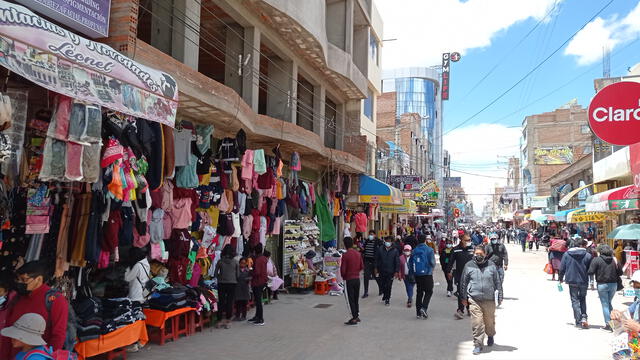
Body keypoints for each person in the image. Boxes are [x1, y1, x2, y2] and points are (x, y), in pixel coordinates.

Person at [0, 262, 68, 360]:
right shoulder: (17, 297)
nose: (20, 283)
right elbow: (8, 332)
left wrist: (48, 358)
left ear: (39, 279)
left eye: (24, 279)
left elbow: (58, 336)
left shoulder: (55, 300)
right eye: (18, 279)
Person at [460, 246, 503, 355]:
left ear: (485, 254)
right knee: (477, 322)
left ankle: (490, 334)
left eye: (481, 254)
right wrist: (463, 297)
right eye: (476, 254)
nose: (478, 256)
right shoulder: (469, 265)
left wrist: (500, 295)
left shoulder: (491, 265)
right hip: (474, 299)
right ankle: (478, 344)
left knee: (489, 322)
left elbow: (497, 281)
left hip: (489, 299)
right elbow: (463, 282)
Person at [559, 238, 593, 329]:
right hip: (583, 281)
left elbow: (562, 268)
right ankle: (584, 317)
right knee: (583, 299)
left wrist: (560, 278)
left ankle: (578, 321)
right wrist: (592, 281)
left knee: (574, 300)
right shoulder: (588, 255)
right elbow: (591, 270)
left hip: (572, 280)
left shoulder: (567, 254)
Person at [588, 244, 621, 331]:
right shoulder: (614, 259)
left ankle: (608, 324)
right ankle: (614, 322)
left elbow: (590, 271)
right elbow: (620, 272)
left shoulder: (597, 260)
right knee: (609, 303)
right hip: (613, 284)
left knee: (605, 304)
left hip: (602, 284)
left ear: (600, 251)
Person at [447, 235, 475, 319]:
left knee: (470, 293)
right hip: (459, 274)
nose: (469, 241)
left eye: (469, 240)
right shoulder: (456, 250)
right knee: (460, 292)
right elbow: (451, 261)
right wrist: (449, 271)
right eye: (467, 240)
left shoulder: (472, 248)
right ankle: (460, 310)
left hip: (471, 275)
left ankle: (469, 308)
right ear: (462, 240)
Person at [409, 235, 436, 319]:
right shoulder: (429, 250)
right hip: (427, 274)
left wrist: (412, 273)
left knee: (419, 292)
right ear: (425, 240)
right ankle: (424, 308)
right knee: (429, 291)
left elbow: (410, 263)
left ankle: (418, 313)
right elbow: (432, 262)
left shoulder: (414, 251)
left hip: (417, 274)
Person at [341, 237, 364, 325]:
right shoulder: (358, 254)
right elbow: (362, 266)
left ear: (345, 244)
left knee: (350, 299)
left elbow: (343, 270)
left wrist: (343, 276)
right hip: (357, 278)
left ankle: (354, 317)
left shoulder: (345, 255)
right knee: (356, 298)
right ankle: (356, 315)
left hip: (349, 279)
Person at [215, 244, 239, 328]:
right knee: (230, 302)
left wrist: (220, 278)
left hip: (221, 283)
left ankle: (219, 320)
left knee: (221, 302)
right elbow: (238, 274)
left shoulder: (220, 261)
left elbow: (215, 274)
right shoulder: (235, 262)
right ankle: (228, 320)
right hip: (232, 283)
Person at [375, 236, 400, 306]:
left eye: (389, 241)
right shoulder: (380, 249)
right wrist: (376, 268)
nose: (387, 242)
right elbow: (377, 259)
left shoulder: (395, 250)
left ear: (391, 242)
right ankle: (385, 294)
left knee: (389, 285)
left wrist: (396, 271)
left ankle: (387, 299)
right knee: (382, 285)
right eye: (386, 241)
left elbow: (397, 261)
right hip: (382, 270)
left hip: (391, 271)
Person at [249, 243, 268, 326]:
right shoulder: (263, 258)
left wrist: (250, 271)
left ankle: (260, 318)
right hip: (262, 281)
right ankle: (257, 316)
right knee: (258, 300)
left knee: (258, 301)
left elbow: (257, 272)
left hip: (257, 281)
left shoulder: (258, 259)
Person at [361, 230, 381, 298]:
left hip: (374, 262)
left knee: (376, 276)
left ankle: (381, 289)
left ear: (375, 235)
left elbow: (380, 252)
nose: (370, 236)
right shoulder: (367, 241)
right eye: (370, 234)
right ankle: (366, 292)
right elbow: (364, 250)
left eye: (372, 234)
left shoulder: (378, 241)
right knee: (366, 277)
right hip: (367, 261)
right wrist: (362, 249)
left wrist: (377, 264)